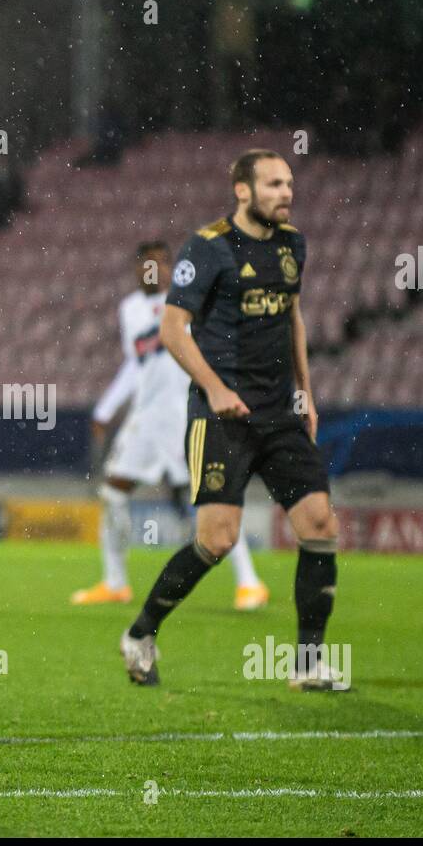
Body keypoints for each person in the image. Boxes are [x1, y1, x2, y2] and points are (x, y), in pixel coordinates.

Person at [118, 150, 346, 692]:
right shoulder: (208, 247)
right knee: (217, 540)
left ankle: (309, 663)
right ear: (242, 191)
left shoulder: (294, 245)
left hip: (279, 414)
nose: (286, 193)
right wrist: (216, 389)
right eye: (273, 184)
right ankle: (140, 634)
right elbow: (174, 329)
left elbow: (294, 317)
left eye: (289, 183)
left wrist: (307, 395)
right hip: (220, 417)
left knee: (320, 525)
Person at [71, 240, 268, 611]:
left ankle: (250, 583)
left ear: (171, 268)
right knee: (113, 493)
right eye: (144, 265)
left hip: (185, 414)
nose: (151, 271)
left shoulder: (192, 301)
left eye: (159, 264)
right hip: (145, 420)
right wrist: (105, 409)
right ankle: (115, 582)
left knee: (213, 497)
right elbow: (136, 365)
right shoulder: (129, 310)